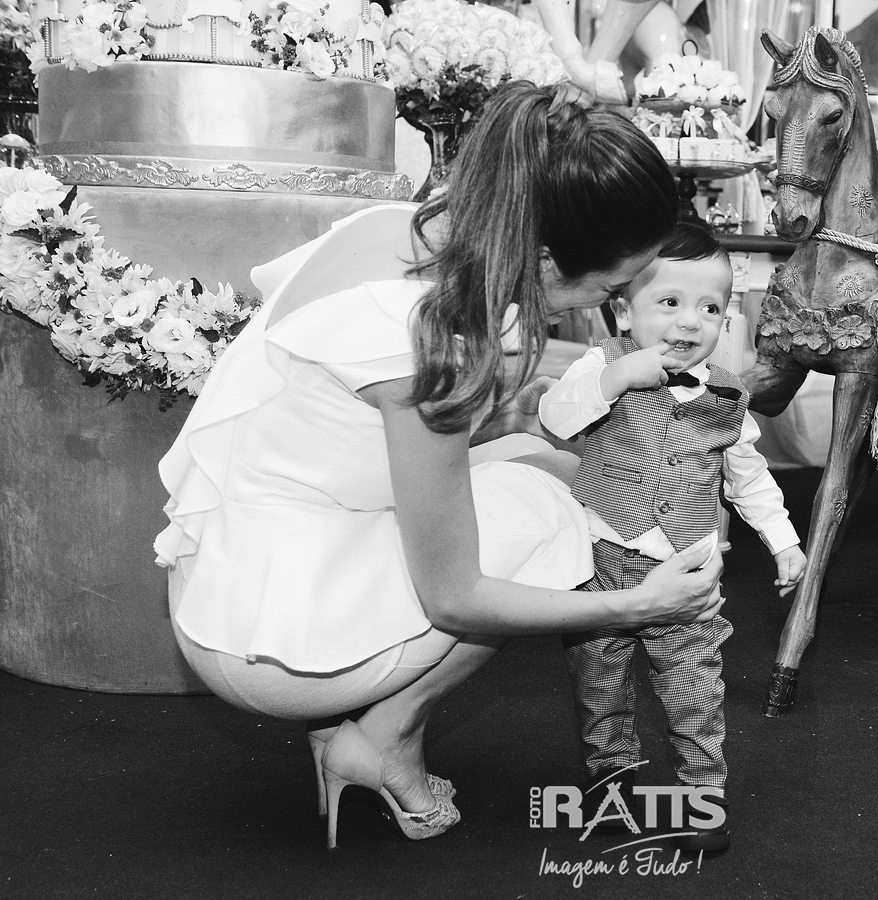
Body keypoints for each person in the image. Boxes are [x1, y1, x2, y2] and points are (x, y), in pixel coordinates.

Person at [153, 82, 725, 850]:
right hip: (263, 646)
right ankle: (384, 736)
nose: (605, 306)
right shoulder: (434, 343)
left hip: (232, 568)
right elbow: (457, 598)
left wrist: (530, 404)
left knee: (538, 462)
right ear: (546, 257)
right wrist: (635, 605)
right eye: (612, 288)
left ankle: (361, 720)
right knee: (563, 513)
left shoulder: (405, 231)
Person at [537, 222, 808, 852]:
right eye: (669, 302)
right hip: (600, 562)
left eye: (710, 308)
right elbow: (556, 416)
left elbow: (749, 477)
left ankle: (701, 797)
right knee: (599, 684)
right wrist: (614, 379)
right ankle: (611, 784)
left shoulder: (726, 397)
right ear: (623, 311)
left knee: (695, 690)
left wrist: (784, 542)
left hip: (687, 572)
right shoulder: (600, 365)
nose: (690, 321)